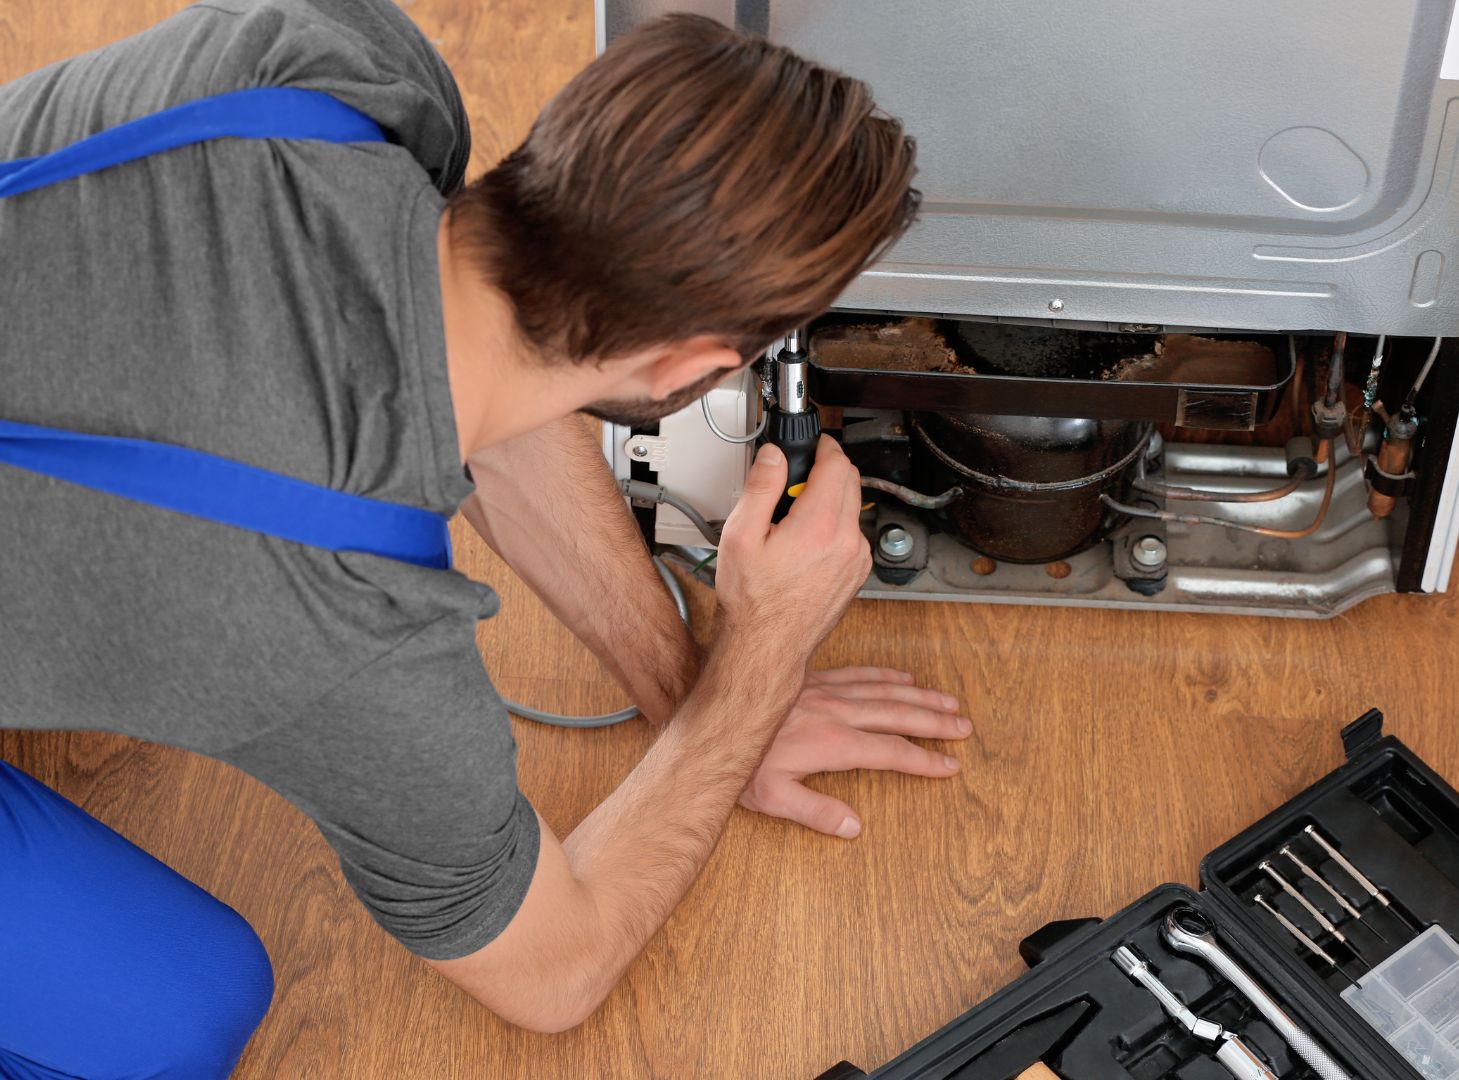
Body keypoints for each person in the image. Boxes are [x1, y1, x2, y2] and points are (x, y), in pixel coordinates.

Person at [0, 1, 972, 1073]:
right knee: (178, 1014)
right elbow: (557, 970)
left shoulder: (320, 58)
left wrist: (690, 692)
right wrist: (762, 655)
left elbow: (488, 373)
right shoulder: (345, 625)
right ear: (687, 369)